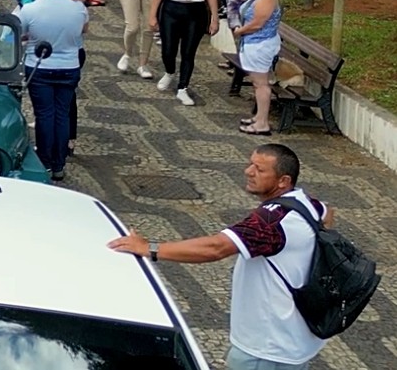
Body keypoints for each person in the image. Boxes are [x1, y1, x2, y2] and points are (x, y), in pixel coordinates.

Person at [108, 144, 331, 370]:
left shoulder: (273, 221)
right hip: (294, 342)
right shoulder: (306, 204)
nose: (248, 171)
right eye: (251, 163)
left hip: (266, 350)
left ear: (283, 181)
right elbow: (327, 213)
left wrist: (150, 248)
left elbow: (216, 248)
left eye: (259, 169)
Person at [17, 0, 87, 181]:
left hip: (41, 67)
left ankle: (45, 160)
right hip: (69, 66)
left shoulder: (30, 9)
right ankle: (59, 162)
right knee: (62, 114)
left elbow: (19, 33)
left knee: (44, 114)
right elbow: (84, 28)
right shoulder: (76, 6)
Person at [150, 0, 220, 106]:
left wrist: (214, 18)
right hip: (171, 9)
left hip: (195, 12)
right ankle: (169, 71)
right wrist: (152, 15)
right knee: (168, 49)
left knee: (188, 52)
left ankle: (183, 87)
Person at [236, 0, 287, 136]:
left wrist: (239, 31)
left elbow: (258, 23)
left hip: (260, 44)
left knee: (261, 84)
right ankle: (258, 117)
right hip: (254, 43)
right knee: (257, 83)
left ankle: (262, 123)